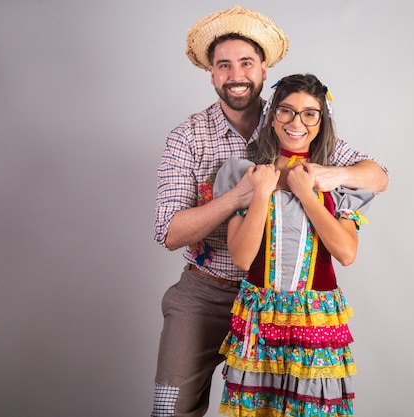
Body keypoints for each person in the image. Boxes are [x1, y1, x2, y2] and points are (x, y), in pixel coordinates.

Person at [152, 6, 388, 417]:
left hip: (286, 304)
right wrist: (241, 195)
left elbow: (377, 176)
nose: (236, 74)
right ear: (211, 73)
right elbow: (169, 233)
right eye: (223, 65)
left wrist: (324, 179)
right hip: (208, 290)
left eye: (246, 62)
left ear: (264, 69)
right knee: (170, 407)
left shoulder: (291, 119)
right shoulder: (188, 137)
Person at [213, 73, 372, 417]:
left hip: (315, 319)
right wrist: (260, 193)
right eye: (286, 111)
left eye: (309, 113)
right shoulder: (245, 173)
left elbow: (345, 253)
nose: (296, 122)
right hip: (260, 315)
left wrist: (306, 194)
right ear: (272, 117)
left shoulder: (337, 181)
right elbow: (242, 258)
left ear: (320, 121)